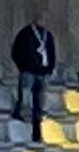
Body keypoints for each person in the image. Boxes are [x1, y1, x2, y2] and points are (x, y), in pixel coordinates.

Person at [10, 12, 57, 140]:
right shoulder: (25, 34)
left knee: (40, 101)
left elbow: (52, 52)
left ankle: (37, 127)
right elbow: (16, 51)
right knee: (25, 97)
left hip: (43, 72)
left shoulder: (48, 35)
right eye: (42, 19)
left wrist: (50, 68)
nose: (44, 22)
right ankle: (21, 118)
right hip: (28, 71)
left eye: (46, 20)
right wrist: (24, 66)